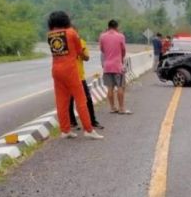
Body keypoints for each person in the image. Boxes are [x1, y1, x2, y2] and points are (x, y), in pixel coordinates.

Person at [46, 11, 102, 139]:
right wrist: (83, 55)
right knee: (81, 100)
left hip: (56, 70)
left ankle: (65, 130)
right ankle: (88, 129)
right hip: (70, 70)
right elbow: (79, 52)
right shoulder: (72, 33)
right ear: (65, 20)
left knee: (61, 101)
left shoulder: (50, 35)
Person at [69, 36, 103, 130]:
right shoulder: (64, 43)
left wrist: (80, 52)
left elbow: (86, 58)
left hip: (79, 76)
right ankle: (72, 122)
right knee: (69, 100)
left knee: (87, 99)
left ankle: (92, 121)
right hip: (68, 76)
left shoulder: (81, 42)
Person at [99, 19, 130, 114]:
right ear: (116, 27)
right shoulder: (120, 36)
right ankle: (121, 108)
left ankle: (112, 108)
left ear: (108, 27)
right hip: (117, 65)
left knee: (110, 88)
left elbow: (102, 49)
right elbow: (123, 50)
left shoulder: (102, 36)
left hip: (107, 66)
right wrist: (120, 58)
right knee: (120, 87)